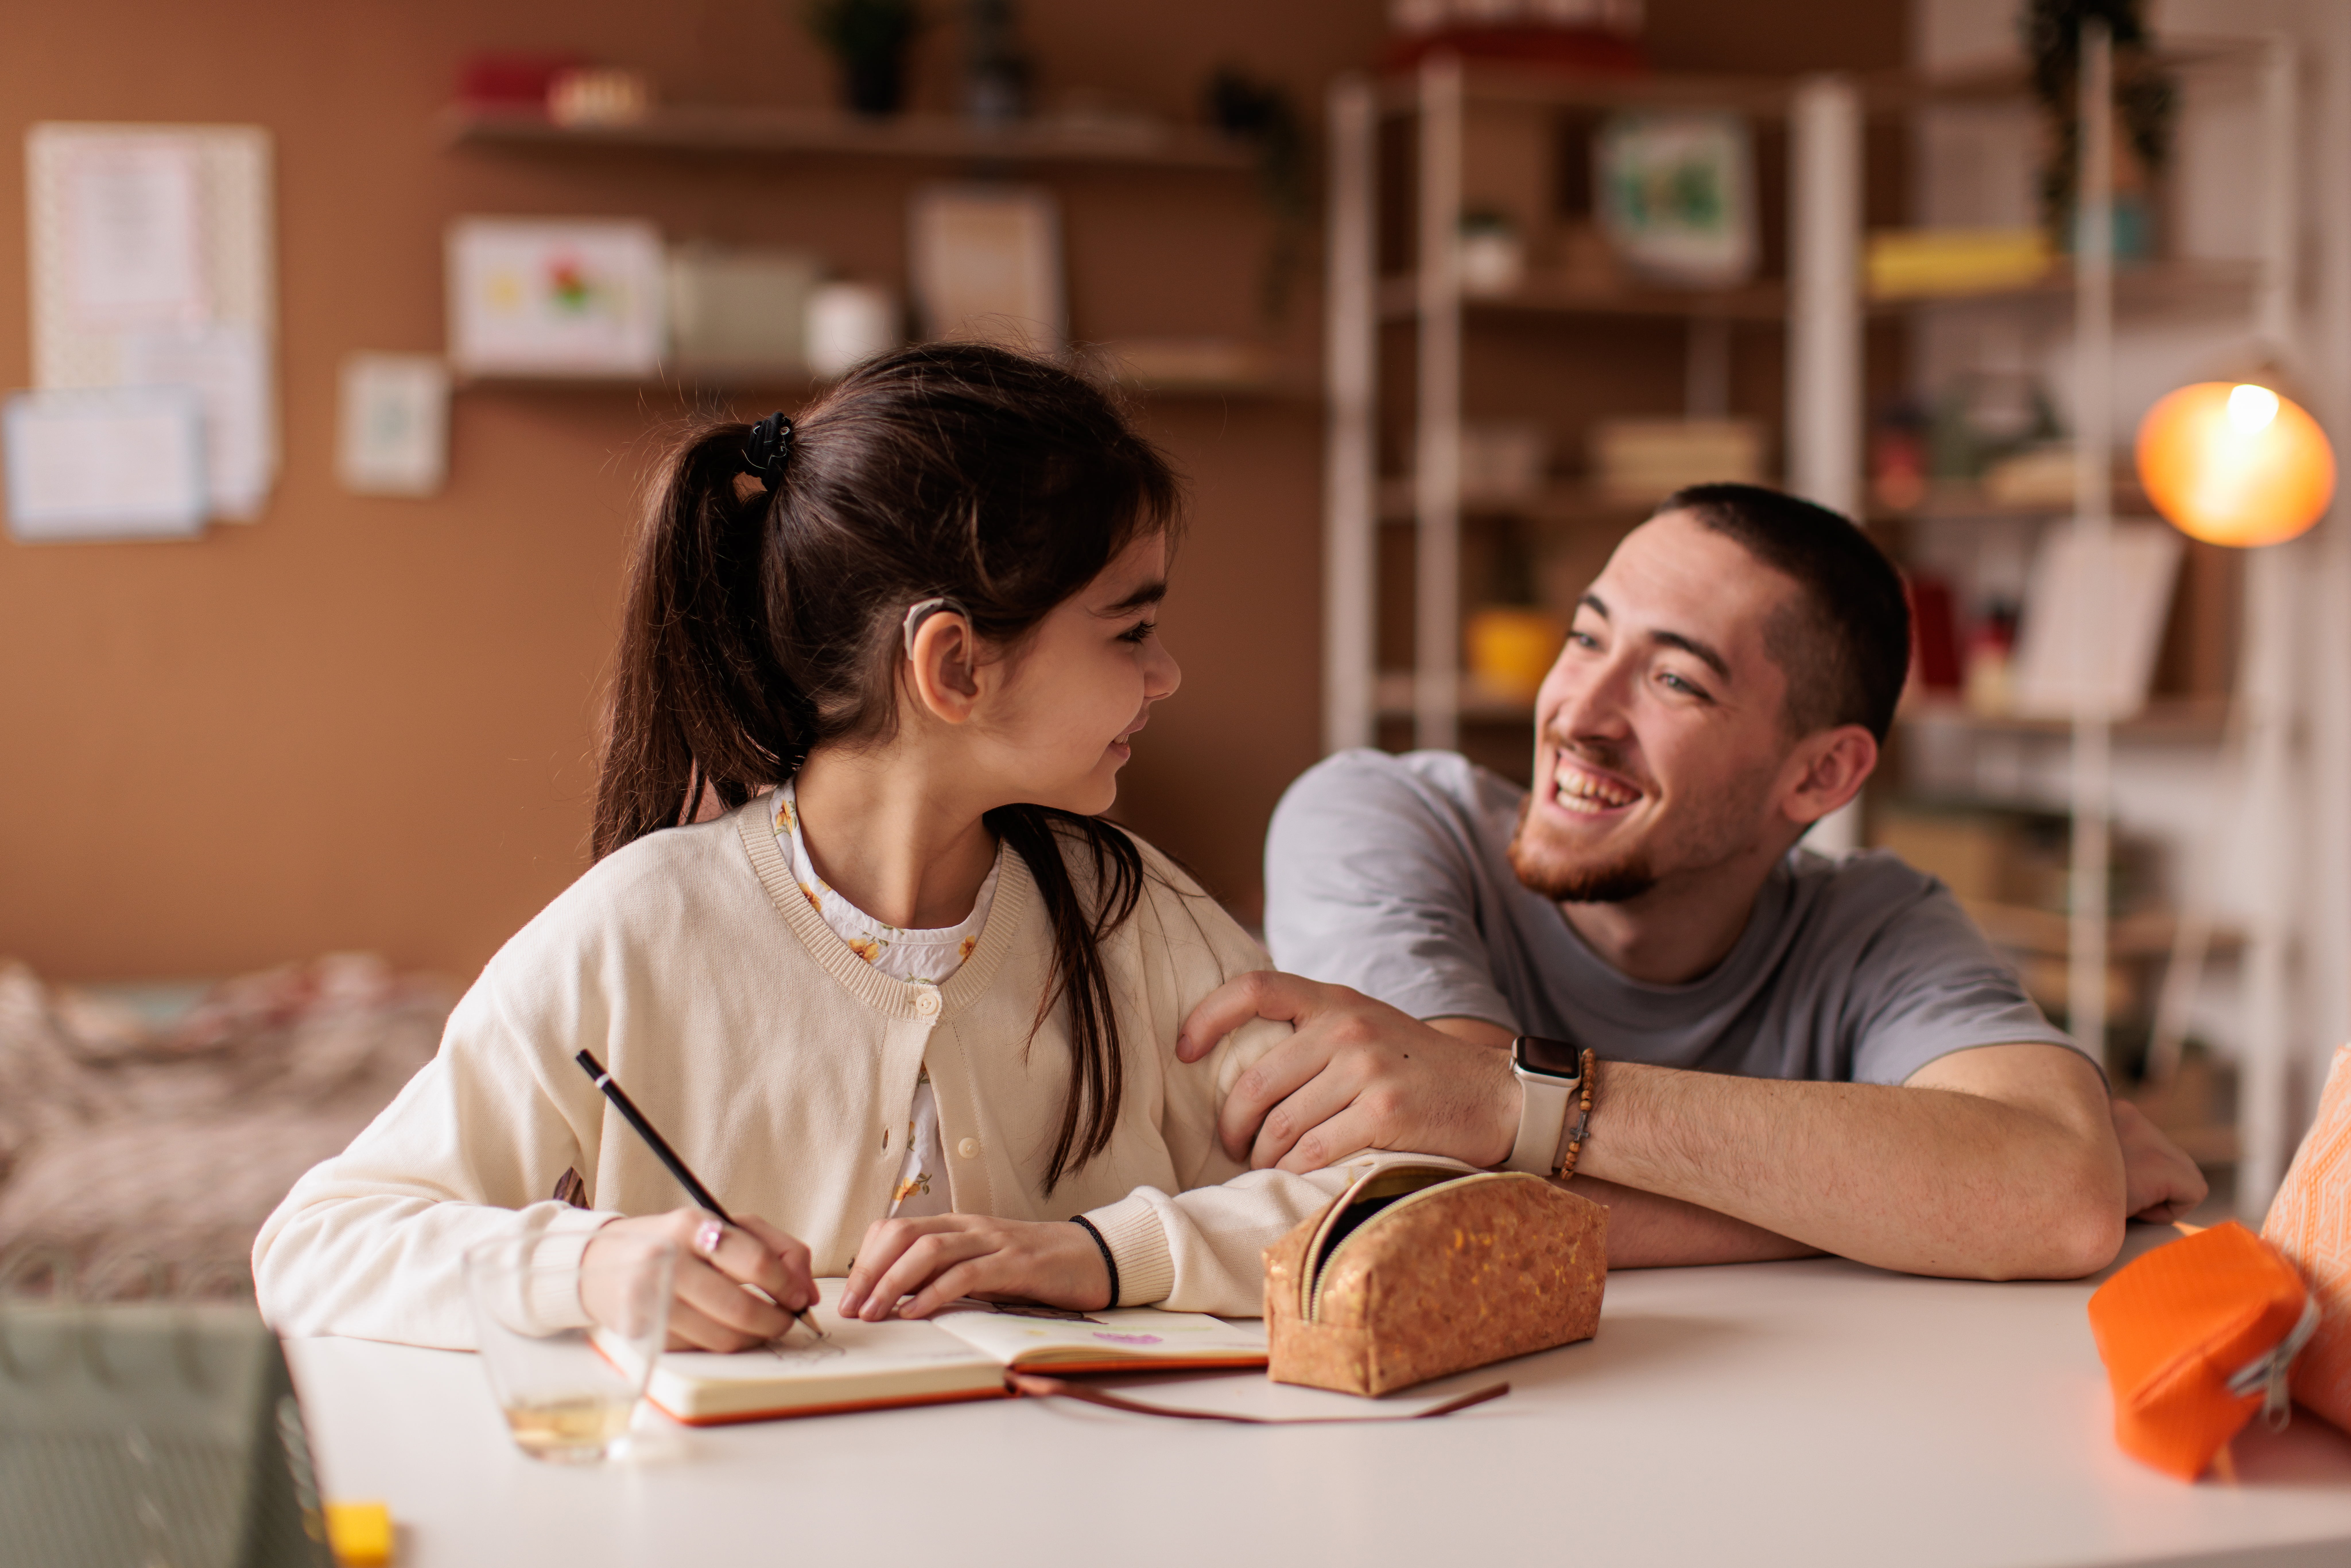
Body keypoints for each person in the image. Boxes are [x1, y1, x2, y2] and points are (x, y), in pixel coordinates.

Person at [252, 343, 1435, 1351]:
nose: (1166, 675)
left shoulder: (1129, 916)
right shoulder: (637, 930)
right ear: (953, 667)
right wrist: (600, 1268)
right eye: (1131, 628)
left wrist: (1099, 1254)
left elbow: (1397, 1198)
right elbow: (317, 1244)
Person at [1177, 484, 2207, 1279]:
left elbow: (2054, 1194)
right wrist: (1898, 1208)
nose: (1579, 712)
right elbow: (1425, 1203)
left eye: (1675, 679)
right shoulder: (1379, 818)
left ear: (1820, 774)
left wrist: (1514, 1099)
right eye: (1586, 638)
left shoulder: (1880, 924)